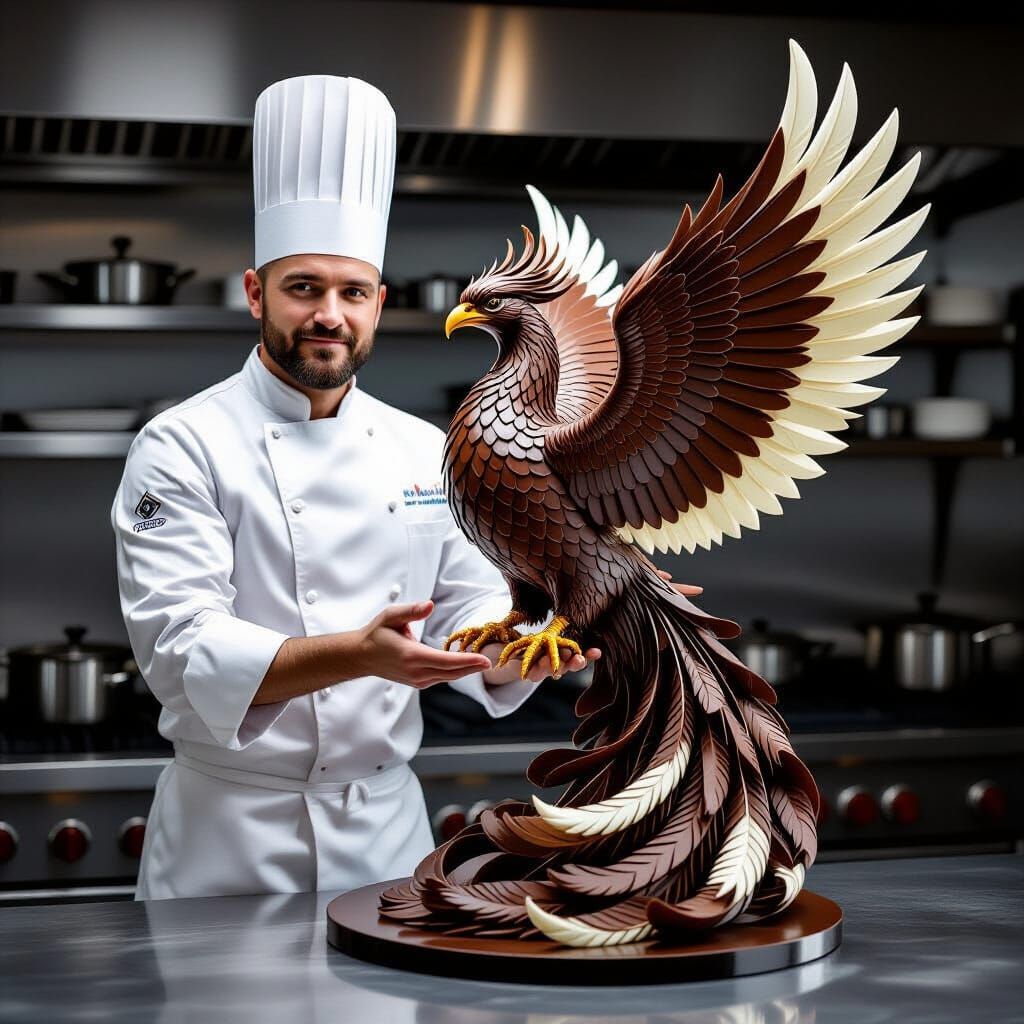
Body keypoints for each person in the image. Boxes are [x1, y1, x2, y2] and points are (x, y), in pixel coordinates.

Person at [110, 75, 601, 901]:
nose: (327, 314)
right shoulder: (182, 444)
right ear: (256, 293)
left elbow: (469, 613)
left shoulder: (424, 450)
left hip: (384, 833)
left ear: (379, 304)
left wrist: (526, 648)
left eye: (350, 293)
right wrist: (357, 655)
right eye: (302, 288)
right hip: (228, 839)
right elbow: (181, 651)